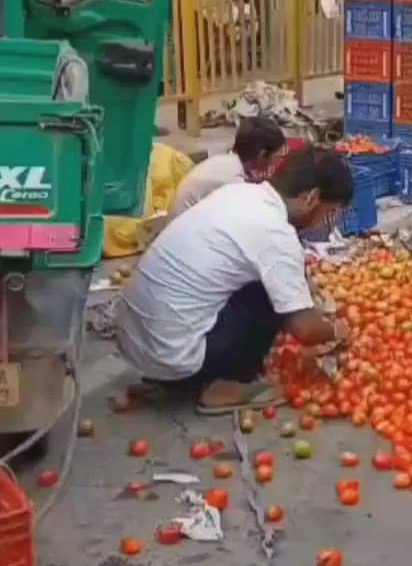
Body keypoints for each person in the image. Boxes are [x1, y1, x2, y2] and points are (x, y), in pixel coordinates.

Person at [113, 147, 354, 415]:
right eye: (329, 213)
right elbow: (305, 330)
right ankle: (221, 387)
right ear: (311, 198)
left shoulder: (238, 192)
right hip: (172, 354)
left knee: (269, 281)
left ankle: (176, 378)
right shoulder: (275, 232)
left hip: (136, 343)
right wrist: (338, 331)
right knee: (268, 294)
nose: (326, 223)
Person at [168, 116, 287, 220]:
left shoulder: (227, 162)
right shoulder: (233, 180)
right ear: (262, 155)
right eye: (277, 156)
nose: (279, 160)